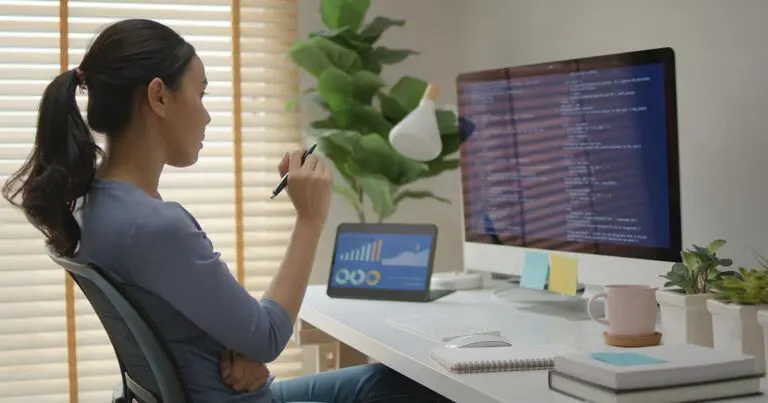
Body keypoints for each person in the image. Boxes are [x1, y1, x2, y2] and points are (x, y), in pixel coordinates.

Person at [2, 18, 452, 403]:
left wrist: (246, 349)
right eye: (200, 93)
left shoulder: (93, 204)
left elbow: (196, 323)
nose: (207, 115)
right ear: (159, 97)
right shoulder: (154, 226)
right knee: (414, 387)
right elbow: (270, 335)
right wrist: (310, 219)